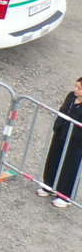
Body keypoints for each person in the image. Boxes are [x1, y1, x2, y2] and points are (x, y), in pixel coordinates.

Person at [41, 76, 82, 208]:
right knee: (53, 159)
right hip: (61, 134)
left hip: (76, 141)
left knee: (69, 167)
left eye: (79, 88)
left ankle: (64, 196)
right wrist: (57, 126)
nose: (76, 90)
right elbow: (62, 110)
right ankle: (48, 185)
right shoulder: (71, 97)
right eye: (76, 86)